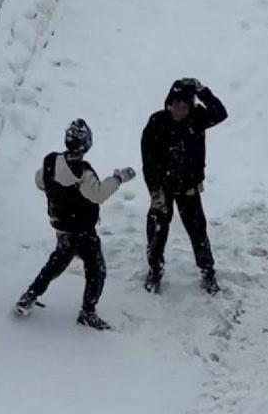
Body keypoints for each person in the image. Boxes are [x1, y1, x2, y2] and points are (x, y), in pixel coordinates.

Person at [15, 119, 136, 330]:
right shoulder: (83, 173)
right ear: (87, 144)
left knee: (57, 262)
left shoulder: (51, 162)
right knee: (96, 270)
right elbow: (98, 194)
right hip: (82, 229)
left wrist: (59, 192)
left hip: (61, 226)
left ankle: (29, 296)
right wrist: (118, 178)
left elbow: (39, 181)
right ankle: (88, 312)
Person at [141, 78, 228, 294]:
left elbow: (220, 113)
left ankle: (207, 271)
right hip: (163, 188)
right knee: (157, 232)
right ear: (168, 104)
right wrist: (155, 191)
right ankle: (155, 269)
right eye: (175, 105)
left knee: (198, 231)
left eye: (184, 106)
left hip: (189, 188)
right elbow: (148, 161)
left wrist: (202, 91)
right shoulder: (157, 123)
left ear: (191, 106)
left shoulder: (197, 119)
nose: (179, 111)